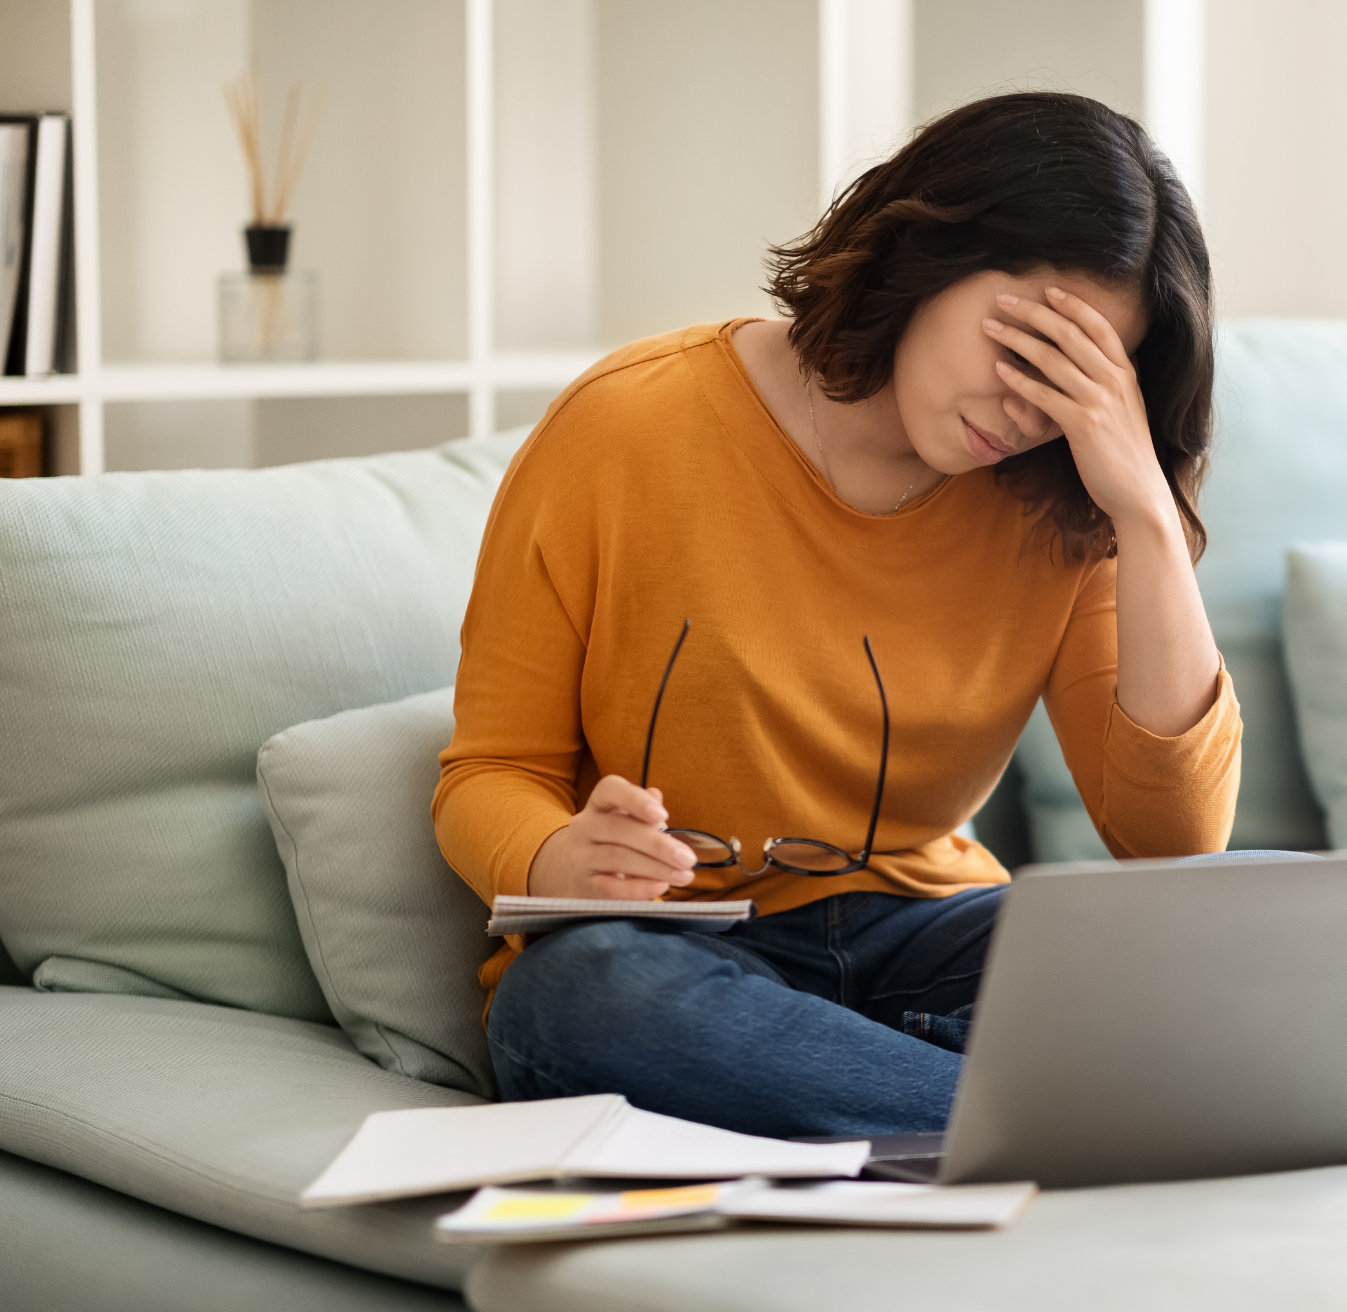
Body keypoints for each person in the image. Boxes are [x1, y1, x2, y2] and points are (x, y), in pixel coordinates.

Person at [435, 92, 1246, 1139]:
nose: (1026, 409)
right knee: (580, 996)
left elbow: (1175, 847)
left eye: (1073, 381)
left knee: (1256, 921)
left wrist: (1139, 503)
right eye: (1023, 347)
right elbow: (486, 770)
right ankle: (1052, 1130)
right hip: (673, 951)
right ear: (922, 252)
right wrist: (556, 857)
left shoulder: (1064, 498)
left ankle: (901, 1110)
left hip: (928, 936)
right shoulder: (626, 425)